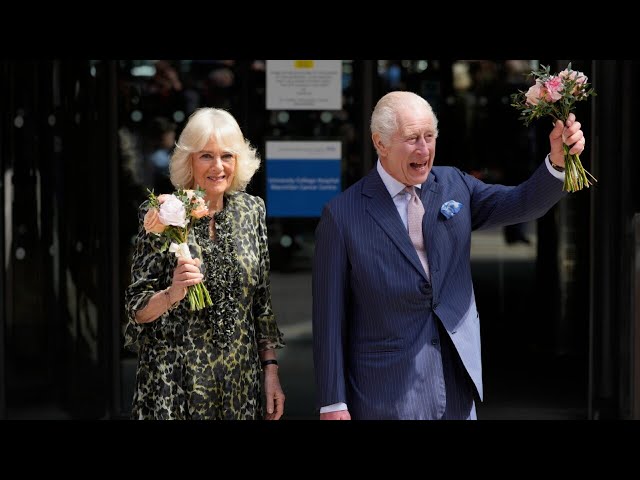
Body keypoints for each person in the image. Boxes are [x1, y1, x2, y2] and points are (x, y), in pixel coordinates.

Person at [312, 91, 585, 420]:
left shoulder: (454, 185)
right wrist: (333, 401)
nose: (424, 150)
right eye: (412, 138)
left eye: (430, 137)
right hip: (384, 391)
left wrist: (557, 163)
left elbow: (523, 203)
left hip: (455, 383)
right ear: (380, 143)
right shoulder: (342, 215)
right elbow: (329, 317)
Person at [124, 107, 285, 420]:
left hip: (240, 383)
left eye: (227, 155)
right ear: (189, 160)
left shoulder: (252, 210)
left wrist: (270, 370)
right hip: (176, 386)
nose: (218, 166)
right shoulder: (162, 213)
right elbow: (136, 308)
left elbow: (261, 304)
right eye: (206, 156)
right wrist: (173, 293)